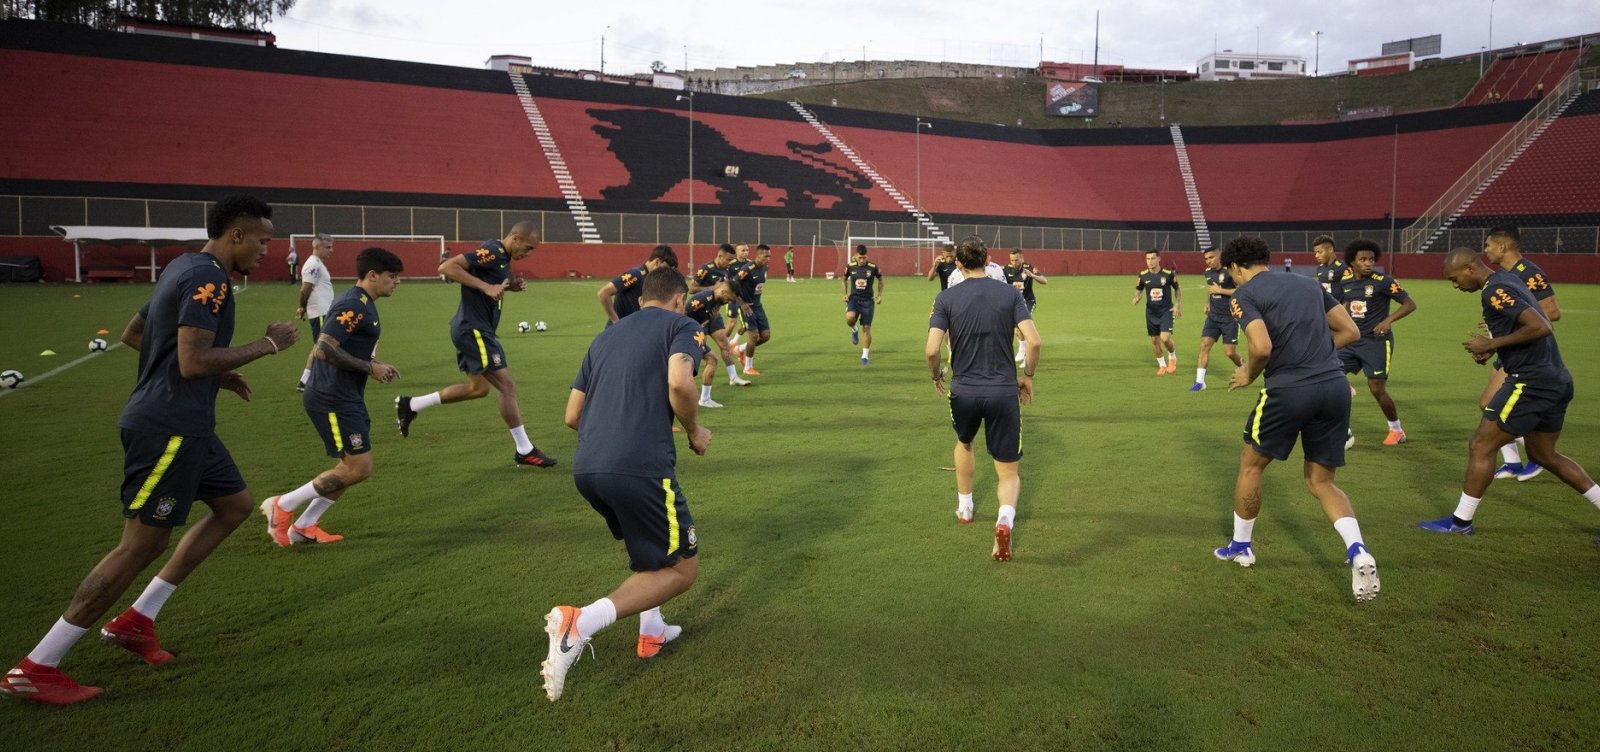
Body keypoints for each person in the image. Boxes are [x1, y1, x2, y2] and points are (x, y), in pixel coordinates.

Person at [0, 196, 299, 705]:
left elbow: (134, 334)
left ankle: (136, 622)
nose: (268, 251)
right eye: (264, 241)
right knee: (139, 545)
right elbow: (190, 360)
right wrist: (266, 345)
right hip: (169, 428)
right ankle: (37, 666)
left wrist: (218, 374)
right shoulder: (212, 281)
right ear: (236, 236)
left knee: (235, 506)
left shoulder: (182, 265)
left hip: (188, 424)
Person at [541, 267, 711, 702]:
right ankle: (580, 623)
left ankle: (651, 630)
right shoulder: (682, 324)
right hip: (639, 467)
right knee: (682, 569)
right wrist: (693, 430)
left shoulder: (606, 336)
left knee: (648, 552)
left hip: (588, 467)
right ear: (679, 298)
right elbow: (679, 381)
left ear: (640, 300)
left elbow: (571, 416)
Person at [1212, 236, 1378, 603]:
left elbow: (1261, 347)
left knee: (1251, 465)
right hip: (1334, 387)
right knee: (1322, 481)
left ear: (1236, 267)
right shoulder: (1309, 283)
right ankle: (1358, 551)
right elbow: (1350, 331)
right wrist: (1313, 352)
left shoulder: (1245, 295)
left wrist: (1249, 375)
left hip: (1289, 390)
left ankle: (1241, 546)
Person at [1418, 248, 1600, 536]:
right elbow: (1523, 324)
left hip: (1531, 382)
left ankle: (1460, 522)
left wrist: (1490, 345)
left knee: (1481, 445)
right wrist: (1495, 346)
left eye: (1454, 279)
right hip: (1556, 379)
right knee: (1543, 454)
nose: (1454, 286)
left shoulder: (1494, 290)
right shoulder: (1506, 279)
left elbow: (1541, 326)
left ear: (1469, 268)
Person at [262, 247, 404, 547]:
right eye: (392, 277)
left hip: (346, 395)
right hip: (331, 398)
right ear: (372, 275)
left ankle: (304, 526)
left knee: (349, 468)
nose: (397, 282)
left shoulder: (365, 302)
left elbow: (346, 348)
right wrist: (369, 367)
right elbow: (324, 348)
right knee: (359, 467)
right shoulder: (354, 304)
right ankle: (282, 505)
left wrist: (374, 366)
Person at [394, 222, 557, 467]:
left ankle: (412, 404)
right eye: (528, 247)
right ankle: (524, 449)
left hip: (474, 330)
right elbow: (447, 266)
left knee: (478, 389)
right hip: (474, 330)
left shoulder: (500, 256)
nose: (529, 253)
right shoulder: (493, 251)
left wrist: (506, 286)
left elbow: (488, 280)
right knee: (507, 386)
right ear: (515, 238)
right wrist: (486, 286)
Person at [925, 237, 1040, 562]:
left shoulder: (946, 297)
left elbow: (932, 349)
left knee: (965, 443)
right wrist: (1027, 376)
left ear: (958, 264)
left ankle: (965, 506)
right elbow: (1033, 342)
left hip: (964, 389)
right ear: (989, 260)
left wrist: (937, 376)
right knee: (1007, 472)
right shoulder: (1009, 293)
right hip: (1003, 390)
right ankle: (1005, 519)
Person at [1479, 225, 1561, 481]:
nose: (1486, 250)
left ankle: (1536, 457)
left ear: (1502, 246)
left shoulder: (1529, 272)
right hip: (1509, 349)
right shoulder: (1504, 275)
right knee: (1487, 403)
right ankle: (1514, 462)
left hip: (1528, 352)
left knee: (1491, 405)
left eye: (1488, 245)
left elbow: (1553, 312)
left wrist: (1515, 320)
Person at [1337, 239, 1415, 446]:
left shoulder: (1384, 281)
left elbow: (1409, 304)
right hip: (1351, 341)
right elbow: (1346, 305)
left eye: (1371, 259)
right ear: (1352, 262)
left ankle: (1396, 430)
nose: (1368, 263)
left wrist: (1388, 320)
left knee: (1376, 388)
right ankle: (1340, 429)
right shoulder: (1345, 282)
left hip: (1376, 342)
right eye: (1363, 259)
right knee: (1330, 375)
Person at [690, 244, 750, 387]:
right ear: (720, 256)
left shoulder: (727, 270)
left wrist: (741, 303)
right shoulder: (706, 269)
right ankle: (687, 378)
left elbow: (730, 288)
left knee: (724, 344)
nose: (730, 263)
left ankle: (733, 377)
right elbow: (691, 288)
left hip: (715, 313)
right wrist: (712, 288)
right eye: (728, 259)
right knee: (698, 349)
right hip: (700, 315)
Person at [685, 280, 743, 408]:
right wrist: (696, 328)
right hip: (687, 335)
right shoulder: (702, 299)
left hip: (696, 333)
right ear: (724, 292)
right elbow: (682, 315)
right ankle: (697, 398)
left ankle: (704, 398)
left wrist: (709, 321)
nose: (729, 302)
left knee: (711, 359)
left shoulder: (718, 299)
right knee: (705, 361)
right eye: (729, 298)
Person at [1192, 247, 1243, 391]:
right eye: (1206, 259)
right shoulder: (1208, 272)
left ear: (1219, 256)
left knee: (1230, 352)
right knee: (1204, 346)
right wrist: (1208, 302)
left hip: (1230, 317)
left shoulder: (1231, 270)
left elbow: (1241, 290)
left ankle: (1245, 370)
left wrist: (1220, 291)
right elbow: (1210, 290)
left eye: (1211, 257)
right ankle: (1200, 382)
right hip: (1213, 317)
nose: (1209, 261)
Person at [598, 244, 678, 324]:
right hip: (620, 331)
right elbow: (604, 293)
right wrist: (616, 321)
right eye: (664, 268)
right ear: (657, 262)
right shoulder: (635, 274)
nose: (665, 273)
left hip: (633, 330)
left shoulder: (651, 279)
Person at [295, 233, 335, 392]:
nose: (331, 250)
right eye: (328, 247)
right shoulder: (313, 265)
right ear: (316, 246)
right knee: (324, 347)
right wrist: (302, 307)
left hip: (324, 312)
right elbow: (305, 289)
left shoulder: (318, 263)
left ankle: (305, 381)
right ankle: (317, 381)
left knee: (321, 346)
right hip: (320, 313)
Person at [1131, 249, 1180, 375]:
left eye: (1153, 258)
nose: (1150, 262)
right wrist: (1137, 297)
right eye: (1147, 259)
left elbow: (1177, 289)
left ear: (1159, 259)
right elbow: (1138, 289)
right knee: (1154, 340)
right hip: (1151, 312)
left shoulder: (1168, 274)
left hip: (1166, 311)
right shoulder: (1143, 275)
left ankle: (1172, 357)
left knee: (1164, 338)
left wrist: (1177, 304)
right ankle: (1162, 365)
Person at [732, 244, 772, 376]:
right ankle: (748, 368)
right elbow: (732, 286)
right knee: (753, 336)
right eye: (766, 256)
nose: (768, 258)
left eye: (769, 256)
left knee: (765, 336)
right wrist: (742, 304)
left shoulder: (764, 267)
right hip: (746, 306)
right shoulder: (747, 269)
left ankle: (741, 349)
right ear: (758, 255)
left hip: (757, 306)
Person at [1002, 249, 1048, 365]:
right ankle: (1022, 349)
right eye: (1012, 260)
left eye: (1016, 260)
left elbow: (1044, 280)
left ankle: (1027, 355)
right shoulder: (1005, 269)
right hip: (1013, 302)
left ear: (1022, 258)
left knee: (1023, 325)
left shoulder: (1029, 267)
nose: (1014, 262)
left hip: (1027, 301)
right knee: (1017, 327)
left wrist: (1032, 275)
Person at [842, 244, 884, 365]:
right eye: (860, 257)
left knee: (866, 328)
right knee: (849, 318)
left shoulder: (873, 267)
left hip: (868, 301)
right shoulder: (850, 266)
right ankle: (854, 329)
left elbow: (881, 280)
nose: (862, 260)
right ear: (856, 256)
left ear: (867, 256)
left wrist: (880, 295)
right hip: (854, 299)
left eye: (864, 257)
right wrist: (845, 293)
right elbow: (844, 279)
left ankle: (865, 356)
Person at [1312, 234, 1346, 299]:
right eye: (1315, 253)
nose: (1316, 256)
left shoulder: (1342, 267)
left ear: (1330, 249)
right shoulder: (1320, 268)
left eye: (1319, 252)